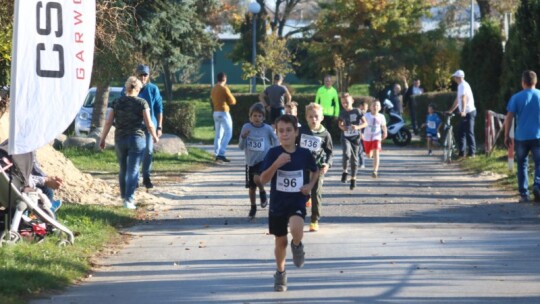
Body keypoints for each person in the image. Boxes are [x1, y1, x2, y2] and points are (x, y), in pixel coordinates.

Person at [260, 114, 319, 292]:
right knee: (280, 242)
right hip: (278, 204)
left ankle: (297, 244)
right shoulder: (273, 153)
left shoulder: (304, 154)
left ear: (296, 132)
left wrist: (309, 185)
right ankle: (280, 273)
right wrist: (276, 164)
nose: (285, 134)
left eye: (288, 130)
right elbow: (263, 180)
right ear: (277, 133)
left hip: (297, 201)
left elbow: (315, 171)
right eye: (281, 131)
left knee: (296, 228)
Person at [100, 76, 159, 209]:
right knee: (133, 170)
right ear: (138, 89)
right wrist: (154, 135)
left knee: (123, 169)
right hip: (137, 139)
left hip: (120, 139)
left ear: (125, 88)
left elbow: (108, 122)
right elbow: (149, 123)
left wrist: (102, 139)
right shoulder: (142, 103)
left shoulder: (116, 102)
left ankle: (123, 197)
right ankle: (129, 199)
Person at [504, 70, 540, 203]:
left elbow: (509, 117)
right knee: (539, 163)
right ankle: (538, 185)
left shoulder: (516, 97)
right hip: (538, 136)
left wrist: (506, 135)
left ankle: (524, 194)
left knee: (522, 164)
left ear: (523, 82)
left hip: (521, 137)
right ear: (535, 82)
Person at [238, 103, 278, 219]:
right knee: (251, 188)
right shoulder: (246, 127)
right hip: (251, 161)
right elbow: (241, 147)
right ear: (250, 117)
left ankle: (262, 191)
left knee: (257, 178)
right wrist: (244, 137)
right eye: (254, 116)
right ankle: (253, 207)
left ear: (264, 117)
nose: (257, 118)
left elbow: (275, 140)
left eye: (260, 116)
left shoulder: (267, 129)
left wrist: (274, 151)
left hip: (263, 159)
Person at [297, 103, 333, 232]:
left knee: (316, 192)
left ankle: (314, 220)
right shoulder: (301, 131)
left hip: (317, 168)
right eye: (310, 117)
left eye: (316, 116)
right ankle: (299, 216)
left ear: (322, 117)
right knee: (301, 191)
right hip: (302, 167)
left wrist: (327, 164)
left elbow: (329, 152)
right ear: (306, 118)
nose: (314, 119)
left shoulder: (325, 134)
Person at [134, 64, 163, 189]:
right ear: (137, 75)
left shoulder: (153, 89)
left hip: (149, 126)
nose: (143, 77)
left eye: (145, 74)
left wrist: (159, 126)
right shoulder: (131, 88)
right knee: (135, 152)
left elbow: (159, 108)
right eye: (140, 74)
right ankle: (135, 178)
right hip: (134, 126)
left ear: (148, 76)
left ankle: (146, 177)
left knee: (148, 151)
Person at [338, 93, 367, 189]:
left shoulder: (357, 111)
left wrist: (357, 127)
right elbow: (340, 124)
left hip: (355, 138)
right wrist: (343, 127)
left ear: (352, 101)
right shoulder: (342, 113)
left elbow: (365, 123)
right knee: (346, 154)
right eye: (343, 103)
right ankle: (345, 171)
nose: (345, 104)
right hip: (345, 137)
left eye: (347, 102)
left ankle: (353, 178)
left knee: (354, 159)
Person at [447, 69, 476, 158]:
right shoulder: (460, 86)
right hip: (464, 112)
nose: (454, 79)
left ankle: (472, 153)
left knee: (469, 132)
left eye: (455, 77)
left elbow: (464, 98)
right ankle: (461, 152)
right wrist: (451, 110)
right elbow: (457, 100)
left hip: (469, 112)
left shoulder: (463, 85)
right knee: (461, 132)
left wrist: (463, 110)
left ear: (459, 77)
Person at [212, 72, 237, 162]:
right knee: (228, 133)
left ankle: (216, 153)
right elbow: (233, 101)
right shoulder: (224, 88)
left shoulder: (214, 88)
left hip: (215, 112)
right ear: (225, 79)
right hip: (224, 112)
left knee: (218, 134)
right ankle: (221, 154)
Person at [363, 100, 387, 178]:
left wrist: (385, 132)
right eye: (373, 105)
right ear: (370, 107)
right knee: (368, 155)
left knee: (376, 153)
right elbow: (361, 124)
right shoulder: (366, 115)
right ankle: (371, 153)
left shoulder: (381, 116)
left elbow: (383, 126)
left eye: (377, 105)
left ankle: (375, 171)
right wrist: (360, 133)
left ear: (379, 108)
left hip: (376, 137)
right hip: (367, 137)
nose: (375, 107)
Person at [356, 100, 369, 169]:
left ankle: (361, 162)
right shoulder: (358, 115)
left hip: (366, 135)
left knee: (362, 149)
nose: (364, 109)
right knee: (359, 149)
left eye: (365, 108)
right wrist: (360, 133)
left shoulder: (368, 115)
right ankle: (361, 163)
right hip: (359, 134)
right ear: (359, 107)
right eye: (362, 108)